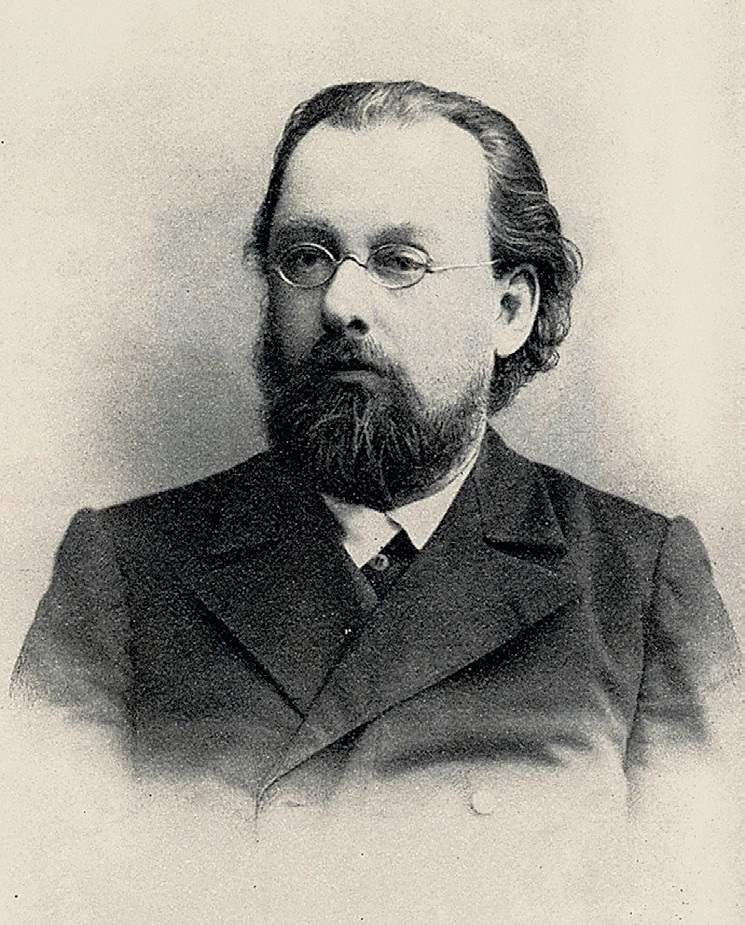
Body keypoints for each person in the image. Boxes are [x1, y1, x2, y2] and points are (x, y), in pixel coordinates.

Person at [11, 82, 739, 835]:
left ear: (509, 311)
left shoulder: (637, 584)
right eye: (307, 257)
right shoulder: (123, 571)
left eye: (400, 261)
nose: (338, 302)